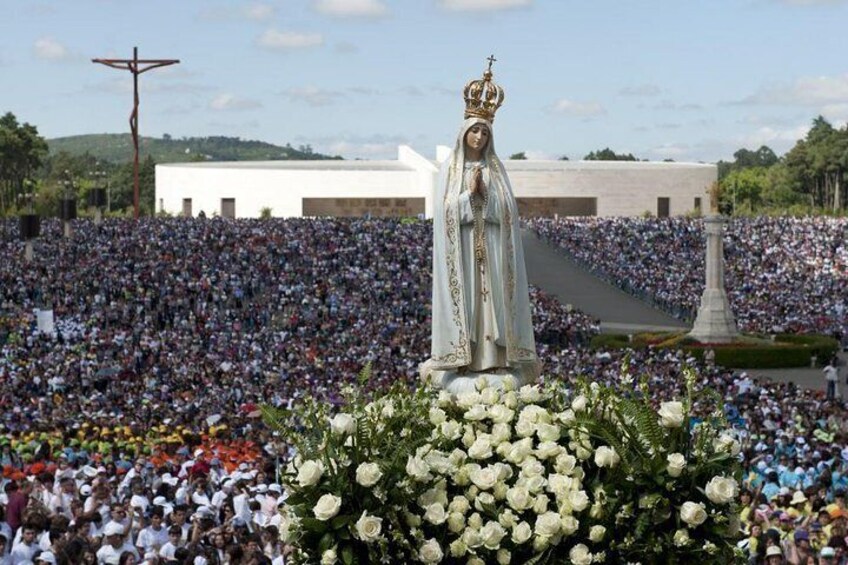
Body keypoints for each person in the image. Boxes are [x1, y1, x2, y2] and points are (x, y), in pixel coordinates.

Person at [422, 59, 539, 393]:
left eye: (484, 132)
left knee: (493, 304)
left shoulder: (496, 170)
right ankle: (465, 356)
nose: (478, 136)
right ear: (464, 133)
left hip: (491, 246)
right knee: (470, 303)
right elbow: (444, 214)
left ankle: (495, 356)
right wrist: (467, 197)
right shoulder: (451, 170)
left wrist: (486, 199)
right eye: (474, 130)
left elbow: (508, 212)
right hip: (462, 251)